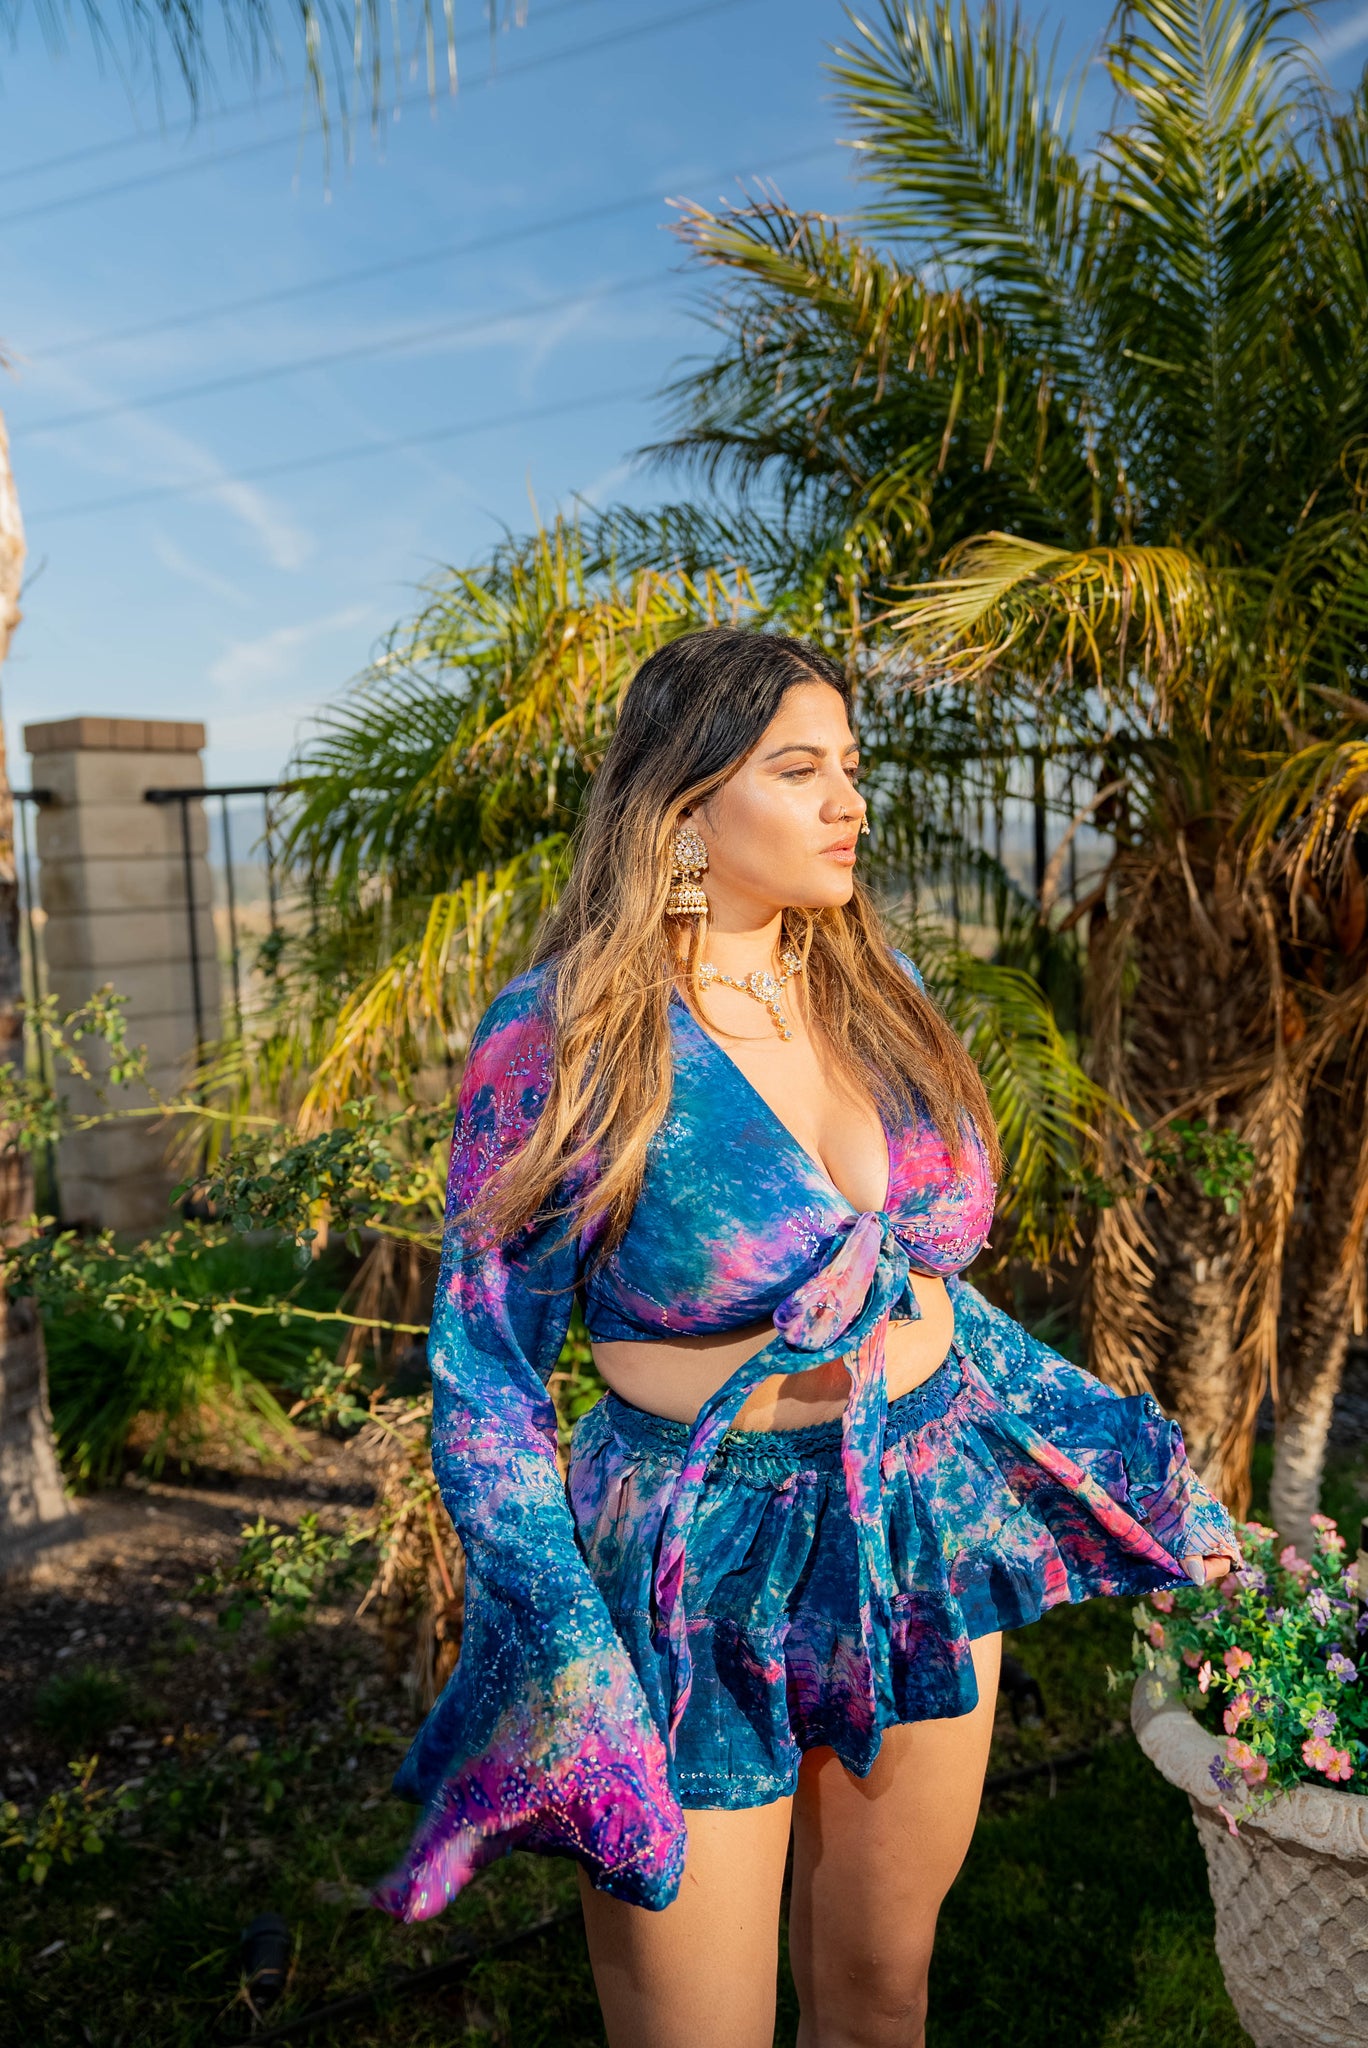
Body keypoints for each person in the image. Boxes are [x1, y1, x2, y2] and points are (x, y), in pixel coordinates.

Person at [375, 629, 1239, 2047]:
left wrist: (1131, 1464)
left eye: (850, 765)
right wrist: (567, 1650)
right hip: (697, 1569)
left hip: (914, 1519)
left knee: (883, 1999)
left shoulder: (872, 984)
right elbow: (486, 1379)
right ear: (683, 804)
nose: (850, 801)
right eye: (799, 769)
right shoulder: (567, 1036)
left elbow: (925, 1298)